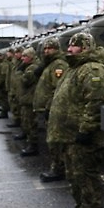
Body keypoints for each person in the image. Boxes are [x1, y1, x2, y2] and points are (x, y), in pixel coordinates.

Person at [49, 31, 104, 208]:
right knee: (74, 177)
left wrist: (86, 129)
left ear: (84, 48)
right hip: (69, 136)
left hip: (83, 137)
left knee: (86, 177)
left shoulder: (92, 70)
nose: (69, 49)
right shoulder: (74, 68)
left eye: (73, 46)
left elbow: (95, 102)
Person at [33, 37, 69, 181]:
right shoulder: (49, 64)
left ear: (57, 49)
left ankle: (58, 169)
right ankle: (57, 167)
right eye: (45, 49)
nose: (47, 51)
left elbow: (58, 89)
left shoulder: (58, 65)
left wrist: (49, 106)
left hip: (54, 109)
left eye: (50, 48)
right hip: (48, 108)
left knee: (56, 141)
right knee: (52, 140)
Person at [15, 47, 42, 156]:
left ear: (31, 57)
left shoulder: (32, 67)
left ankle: (33, 144)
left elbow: (25, 80)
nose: (22, 58)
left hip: (30, 99)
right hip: (27, 98)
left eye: (25, 56)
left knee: (31, 123)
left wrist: (20, 71)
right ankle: (29, 140)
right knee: (27, 121)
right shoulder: (29, 66)